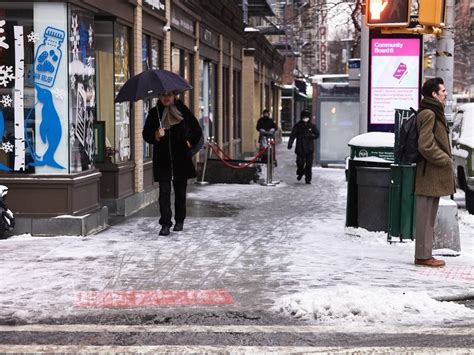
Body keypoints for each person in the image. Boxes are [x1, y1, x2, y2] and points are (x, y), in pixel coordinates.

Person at [142, 92, 203, 236]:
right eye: (162, 95)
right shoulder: (154, 113)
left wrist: (189, 142)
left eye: (168, 95)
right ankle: (165, 224)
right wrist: (156, 135)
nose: (165, 98)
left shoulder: (183, 111)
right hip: (163, 160)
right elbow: (146, 134)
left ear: (174, 95)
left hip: (180, 159)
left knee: (180, 193)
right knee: (164, 193)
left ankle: (180, 220)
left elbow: (197, 131)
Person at [414, 77, 455, 267]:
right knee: (425, 217)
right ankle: (423, 256)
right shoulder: (429, 113)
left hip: (431, 173)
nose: (446, 94)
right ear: (434, 94)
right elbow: (425, 145)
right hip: (428, 172)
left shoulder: (433, 111)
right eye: (443, 91)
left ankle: (425, 254)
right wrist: (444, 159)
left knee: (429, 216)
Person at [287, 109, 319, 184]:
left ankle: (308, 179)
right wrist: (290, 143)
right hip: (300, 148)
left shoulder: (312, 126)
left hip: (309, 149)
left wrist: (311, 136)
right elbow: (293, 135)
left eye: (307, 117)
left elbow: (317, 134)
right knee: (300, 163)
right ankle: (300, 172)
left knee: (308, 165)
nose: (305, 118)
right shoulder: (298, 126)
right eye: (304, 117)